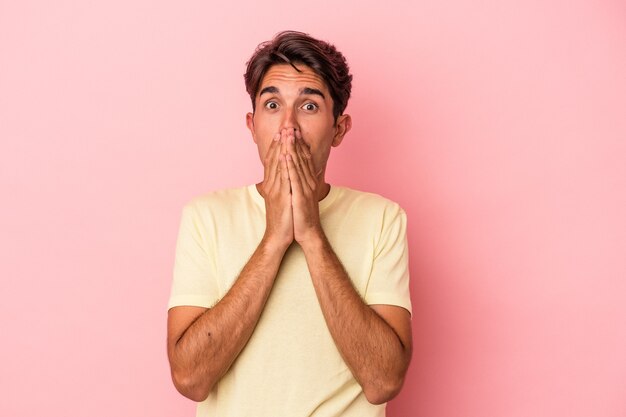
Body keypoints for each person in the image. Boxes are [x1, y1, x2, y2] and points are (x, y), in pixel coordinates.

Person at [166, 30, 412, 417]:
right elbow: (190, 378)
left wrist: (311, 234)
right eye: (273, 104)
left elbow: (383, 382)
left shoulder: (383, 219)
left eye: (309, 106)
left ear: (339, 129)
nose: (288, 127)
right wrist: (274, 241)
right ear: (252, 125)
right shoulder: (205, 217)